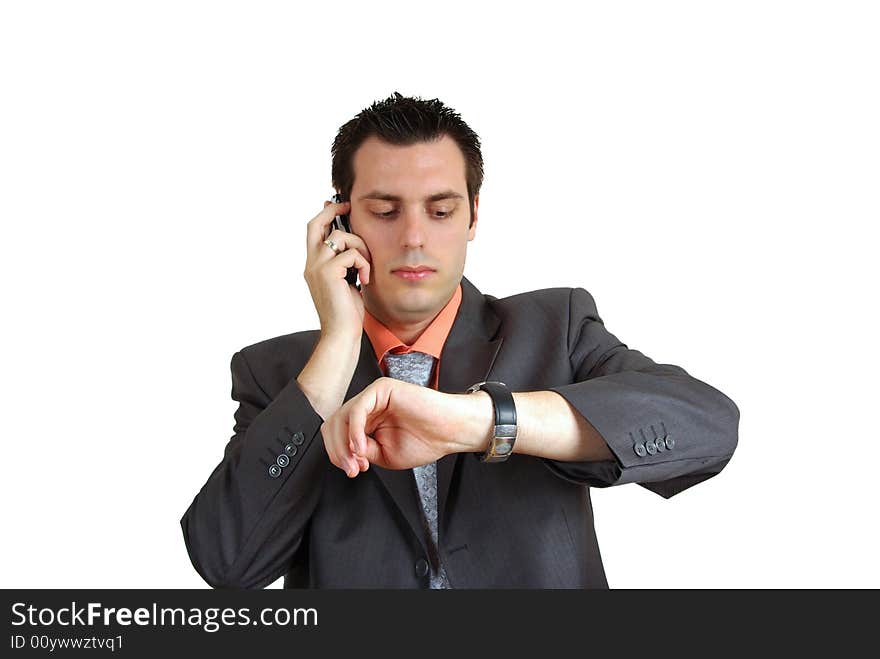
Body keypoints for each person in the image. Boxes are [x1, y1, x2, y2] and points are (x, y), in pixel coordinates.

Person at [180, 92, 740, 589]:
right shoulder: (277, 374)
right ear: (340, 223)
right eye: (385, 211)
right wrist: (335, 350)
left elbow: (708, 427)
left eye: (441, 210)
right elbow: (227, 564)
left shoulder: (555, 327)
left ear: (473, 215)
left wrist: (478, 422)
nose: (415, 237)